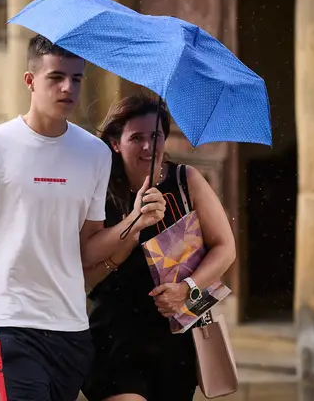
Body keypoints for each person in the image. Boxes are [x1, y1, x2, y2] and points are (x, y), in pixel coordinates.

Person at [0, 35, 167, 401]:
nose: (67, 87)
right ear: (30, 81)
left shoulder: (94, 154)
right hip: (12, 323)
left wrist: (134, 221)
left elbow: (88, 249)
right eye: (56, 77)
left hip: (71, 327)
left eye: (76, 78)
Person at [81, 95, 237, 401]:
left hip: (174, 336)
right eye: (136, 138)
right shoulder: (99, 187)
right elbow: (87, 255)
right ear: (115, 143)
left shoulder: (185, 181)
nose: (148, 147)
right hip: (114, 335)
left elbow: (225, 248)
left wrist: (188, 288)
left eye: (155, 136)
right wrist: (135, 221)